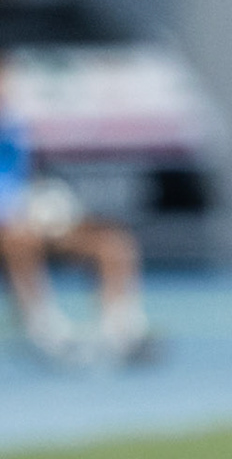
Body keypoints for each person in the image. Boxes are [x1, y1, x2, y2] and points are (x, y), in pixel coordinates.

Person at [0, 108, 155, 364]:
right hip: (11, 228)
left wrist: (41, 204)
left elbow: (23, 179)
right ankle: (45, 331)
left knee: (112, 243)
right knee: (19, 240)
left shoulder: (16, 126)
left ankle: (120, 333)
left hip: (28, 218)